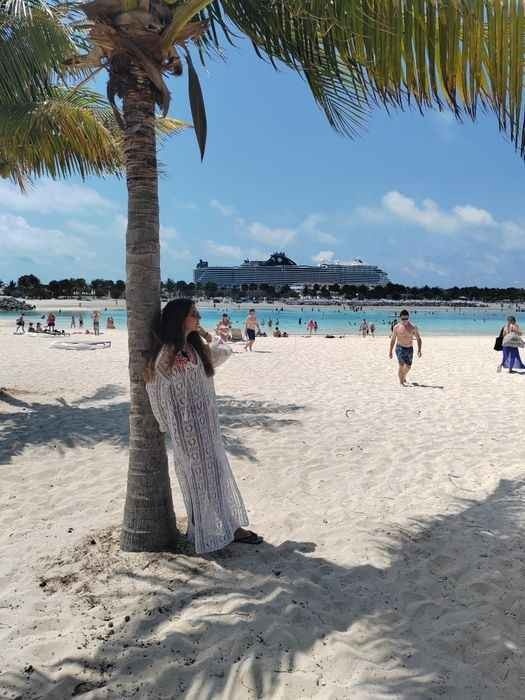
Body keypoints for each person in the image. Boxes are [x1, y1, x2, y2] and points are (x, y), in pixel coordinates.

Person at [145, 299, 261, 553]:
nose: (198, 316)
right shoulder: (169, 352)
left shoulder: (194, 348)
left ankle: (228, 527)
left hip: (207, 425)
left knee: (215, 473)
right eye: (193, 313)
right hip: (186, 429)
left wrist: (206, 334)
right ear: (179, 318)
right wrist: (166, 424)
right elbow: (154, 388)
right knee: (196, 477)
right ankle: (206, 530)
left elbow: (225, 352)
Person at [389, 309, 422, 386]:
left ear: (408, 317)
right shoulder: (396, 327)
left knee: (408, 367)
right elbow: (393, 340)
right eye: (403, 319)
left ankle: (403, 376)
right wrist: (390, 351)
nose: (405, 320)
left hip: (409, 348)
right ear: (400, 318)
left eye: (406, 318)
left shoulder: (413, 327)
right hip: (399, 348)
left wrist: (419, 350)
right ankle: (401, 382)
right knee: (401, 365)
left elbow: (418, 338)